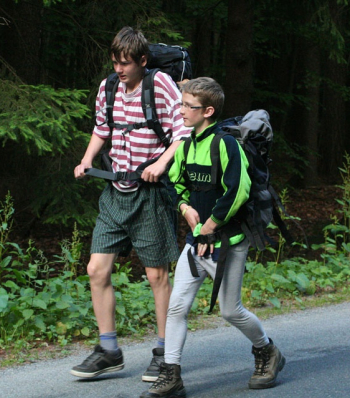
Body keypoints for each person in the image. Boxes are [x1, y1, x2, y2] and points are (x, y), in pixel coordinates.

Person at [141, 77, 285, 398]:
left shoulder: (226, 145)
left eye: (187, 106)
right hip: (196, 243)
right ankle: (171, 374)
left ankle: (267, 351)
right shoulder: (187, 145)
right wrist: (184, 207)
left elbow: (238, 190)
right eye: (180, 104)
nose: (180, 111)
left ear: (207, 111)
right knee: (176, 308)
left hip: (229, 242)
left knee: (230, 311)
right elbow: (172, 181)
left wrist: (212, 223)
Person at [71, 26, 191, 381]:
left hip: (151, 194)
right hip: (115, 191)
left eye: (126, 63)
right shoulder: (109, 87)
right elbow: (101, 128)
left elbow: (182, 134)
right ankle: (109, 350)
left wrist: (161, 163)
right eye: (115, 62)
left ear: (142, 60)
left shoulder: (160, 86)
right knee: (96, 269)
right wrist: (87, 159)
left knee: (156, 275)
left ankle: (164, 353)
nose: (120, 70)